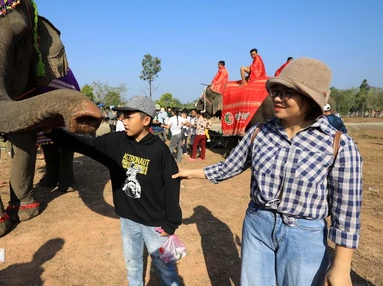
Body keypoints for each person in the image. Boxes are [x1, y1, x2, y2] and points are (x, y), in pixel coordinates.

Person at [173, 58, 362, 286]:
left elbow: (347, 211)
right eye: (276, 91)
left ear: (312, 98)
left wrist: (341, 267)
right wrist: (190, 173)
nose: (277, 98)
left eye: (288, 92)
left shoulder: (339, 145)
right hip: (257, 225)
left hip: (305, 236)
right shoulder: (259, 133)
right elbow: (228, 167)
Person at [49, 96, 182, 285]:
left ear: (146, 120)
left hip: (154, 223)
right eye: (123, 116)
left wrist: (171, 223)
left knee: (165, 268)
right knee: (133, 264)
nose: (123, 120)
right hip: (128, 219)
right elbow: (87, 146)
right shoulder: (116, 142)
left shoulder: (160, 151)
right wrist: (54, 133)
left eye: (129, 117)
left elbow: (171, 186)